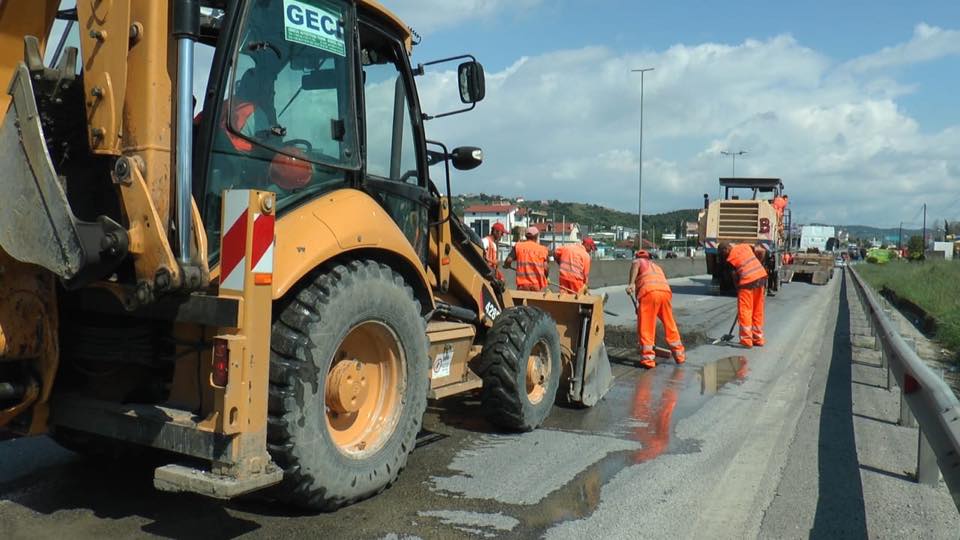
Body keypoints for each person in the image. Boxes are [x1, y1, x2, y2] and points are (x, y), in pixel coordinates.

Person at [626, 250, 685, 368]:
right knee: (670, 324)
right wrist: (640, 306)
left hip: (650, 294)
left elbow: (636, 264)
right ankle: (679, 355)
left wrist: (631, 284)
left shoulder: (638, 261)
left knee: (646, 326)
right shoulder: (657, 267)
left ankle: (648, 359)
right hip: (665, 294)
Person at [719, 241, 768, 348]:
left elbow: (734, 277)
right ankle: (758, 339)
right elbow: (762, 250)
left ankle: (746, 340)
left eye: (722, 253)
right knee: (757, 310)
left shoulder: (731, 258)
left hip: (747, 282)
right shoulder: (745, 246)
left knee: (745, 311)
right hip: (761, 278)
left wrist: (738, 289)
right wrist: (759, 264)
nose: (723, 256)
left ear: (726, 249)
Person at [504, 227, 549, 291]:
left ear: (526, 236)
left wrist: (507, 265)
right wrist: (545, 277)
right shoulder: (543, 249)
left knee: (519, 298)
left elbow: (508, 260)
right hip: (536, 285)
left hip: (522, 285)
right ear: (536, 236)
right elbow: (546, 268)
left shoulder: (518, 246)